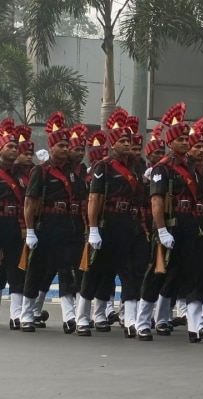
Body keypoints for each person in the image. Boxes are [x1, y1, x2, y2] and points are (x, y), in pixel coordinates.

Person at [136, 102, 203, 343]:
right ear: (170, 143)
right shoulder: (164, 169)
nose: (184, 143)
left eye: (185, 139)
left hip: (191, 228)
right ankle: (142, 322)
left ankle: (196, 325)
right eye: (179, 140)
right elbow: (157, 202)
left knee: (192, 275)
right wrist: (161, 230)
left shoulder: (195, 170)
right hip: (169, 226)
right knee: (157, 274)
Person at [77, 109, 149, 337]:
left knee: (128, 273)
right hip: (107, 223)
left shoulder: (136, 168)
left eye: (129, 140)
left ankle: (130, 321)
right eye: (123, 141)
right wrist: (94, 229)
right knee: (96, 271)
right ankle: (82, 318)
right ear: (112, 144)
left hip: (129, 224)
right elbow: (94, 199)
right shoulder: (103, 167)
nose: (127, 144)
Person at [20, 112, 79, 333]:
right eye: (62, 145)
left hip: (66, 226)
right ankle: (26, 315)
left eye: (67, 145)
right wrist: (30, 231)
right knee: (36, 271)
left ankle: (69, 316)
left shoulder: (72, 173)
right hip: (46, 225)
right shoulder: (40, 171)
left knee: (66, 271)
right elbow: (29, 202)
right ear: (51, 147)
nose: (66, 149)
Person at [0, 120, 25, 330]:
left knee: (16, 269)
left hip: (15, 225)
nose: (14, 150)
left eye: (16, 147)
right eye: (10, 146)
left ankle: (16, 314)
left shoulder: (21, 174)